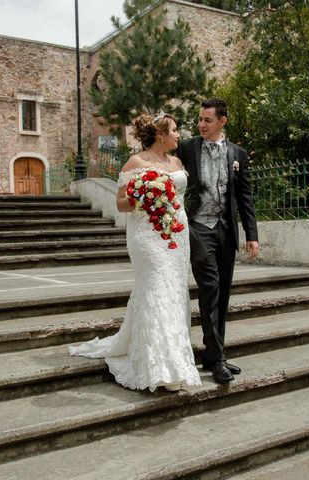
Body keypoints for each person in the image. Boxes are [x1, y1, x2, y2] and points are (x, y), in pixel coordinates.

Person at [69, 112, 201, 393]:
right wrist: (146, 196)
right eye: (175, 130)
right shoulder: (135, 163)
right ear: (161, 135)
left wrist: (164, 194)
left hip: (176, 234)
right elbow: (120, 203)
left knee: (174, 290)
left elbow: (179, 195)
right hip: (146, 236)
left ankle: (174, 360)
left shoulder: (177, 162)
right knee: (155, 288)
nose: (179, 135)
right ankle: (158, 366)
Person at [176, 98, 259, 385]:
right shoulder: (187, 148)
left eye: (207, 120)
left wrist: (252, 235)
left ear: (222, 121)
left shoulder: (238, 153)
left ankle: (213, 355)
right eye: (199, 119)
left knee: (222, 294)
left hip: (226, 230)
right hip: (199, 227)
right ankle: (217, 358)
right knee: (210, 288)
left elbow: (245, 197)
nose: (201, 124)